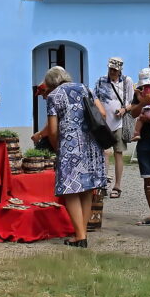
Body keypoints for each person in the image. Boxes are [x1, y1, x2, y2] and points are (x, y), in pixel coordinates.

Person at [45, 66, 107, 248]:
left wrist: (57, 147)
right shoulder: (85, 88)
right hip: (91, 145)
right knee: (87, 189)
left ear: (51, 83)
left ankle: (80, 236)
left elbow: (53, 129)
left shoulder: (53, 96)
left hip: (69, 146)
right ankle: (83, 233)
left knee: (70, 190)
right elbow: (102, 113)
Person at [94, 57, 134, 199]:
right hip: (104, 123)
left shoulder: (127, 81)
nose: (112, 72)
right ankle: (103, 183)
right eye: (111, 69)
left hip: (119, 122)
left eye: (115, 70)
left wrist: (123, 110)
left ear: (120, 70)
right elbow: (95, 99)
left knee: (118, 152)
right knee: (104, 152)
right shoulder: (100, 81)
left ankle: (117, 185)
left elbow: (132, 102)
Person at [128, 66, 150, 226]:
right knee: (148, 179)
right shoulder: (142, 91)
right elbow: (134, 113)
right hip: (146, 139)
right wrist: (143, 103)